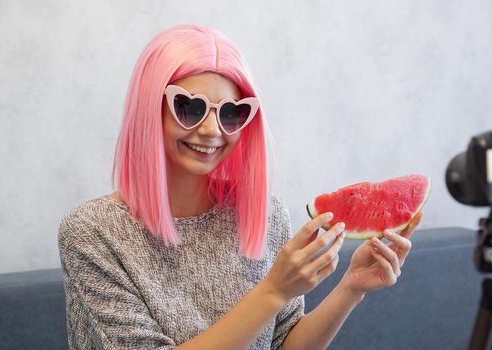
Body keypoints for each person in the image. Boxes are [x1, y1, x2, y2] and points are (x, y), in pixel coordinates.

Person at [58, 24, 424, 350]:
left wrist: (351, 289)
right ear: (149, 109)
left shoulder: (266, 216)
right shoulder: (92, 233)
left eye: (232, 113)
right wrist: (272, 291)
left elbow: (284, 344)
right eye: (190, 107)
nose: (212, 131)